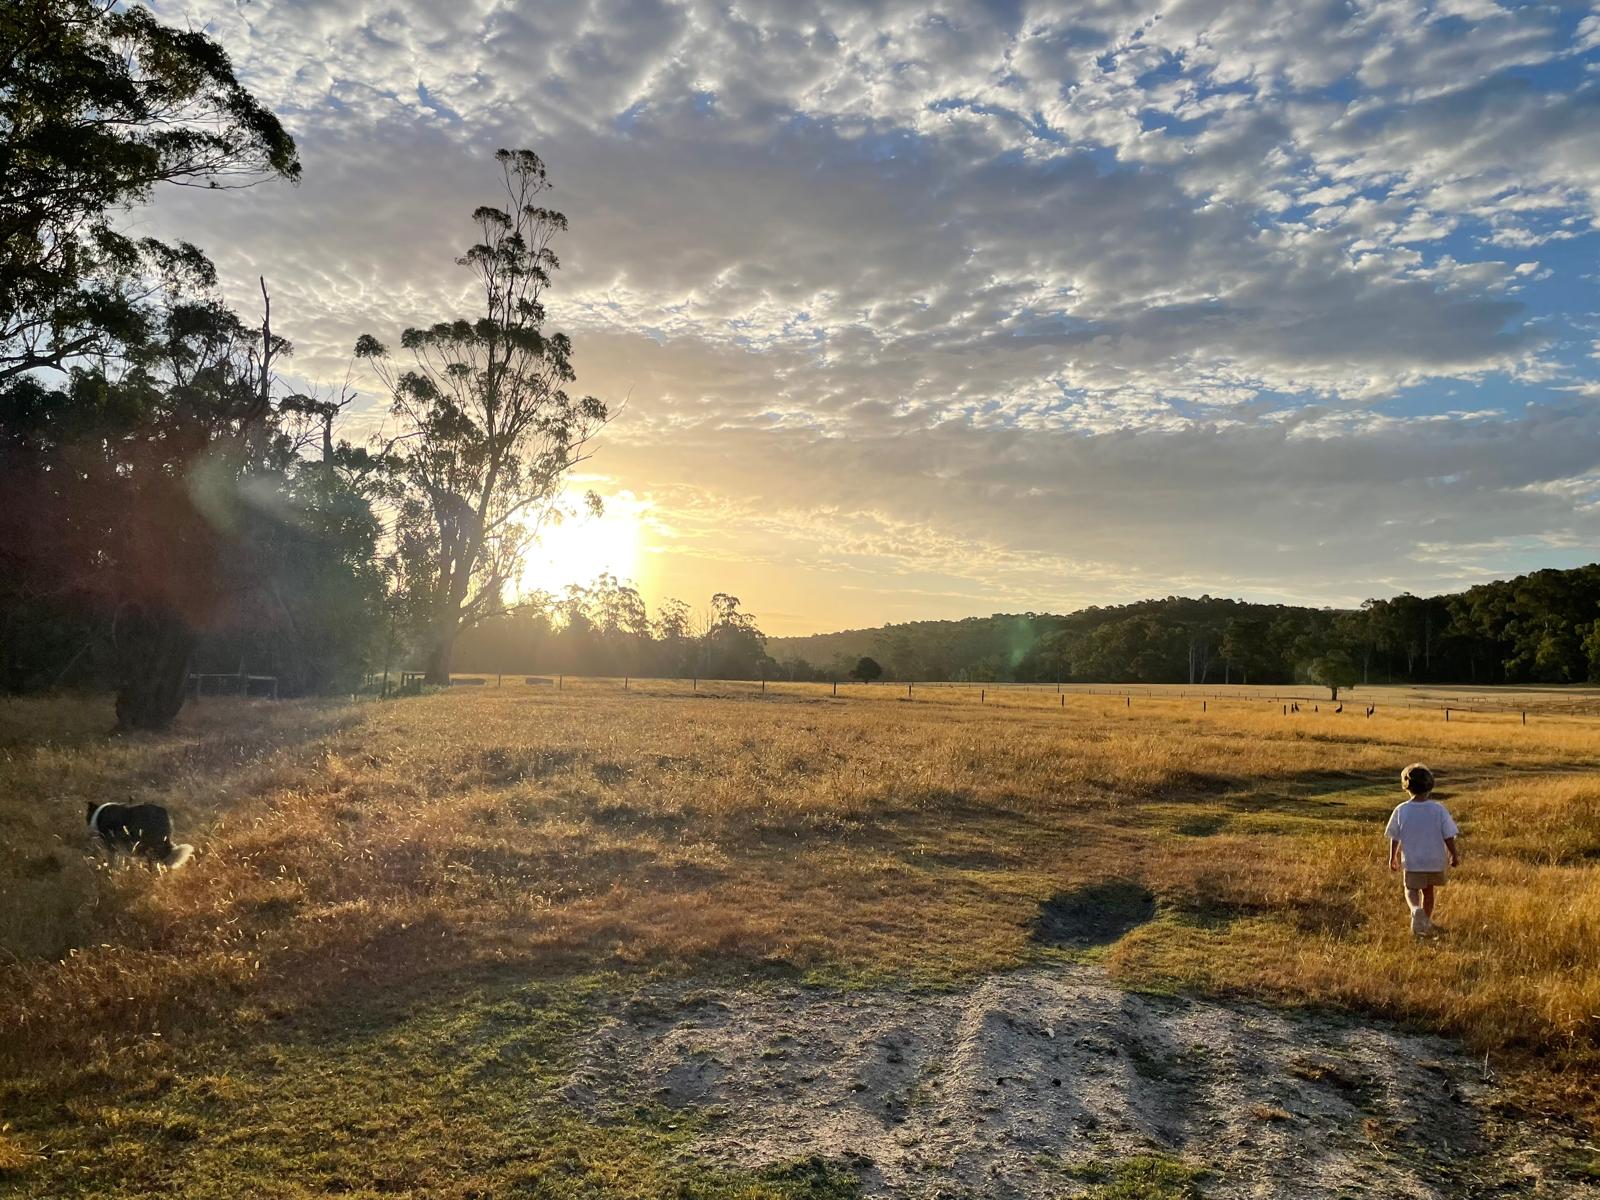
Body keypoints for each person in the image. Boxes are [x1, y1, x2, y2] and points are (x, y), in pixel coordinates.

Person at [1386, 763, 1460, 936]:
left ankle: (1415, 910)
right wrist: (1454, 855)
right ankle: (1424, 922)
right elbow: (1448, 835)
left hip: (1413, 860)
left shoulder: (1401, 810)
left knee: (1410, 889)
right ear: (1430, 786)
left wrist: (1393, 857)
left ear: (1407, 787)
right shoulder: (1438, 809)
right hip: (1434, 860)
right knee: (1428, 892)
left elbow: (1394, 836)